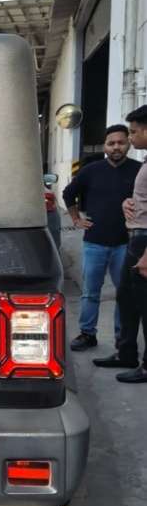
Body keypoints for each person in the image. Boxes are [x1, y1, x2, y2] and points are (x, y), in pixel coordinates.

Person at [63, 125, 140, 351]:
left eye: (121, 142)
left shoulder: (139, 171)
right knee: (90, 292)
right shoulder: (91, 170)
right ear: (105, 145)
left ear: (128, 143)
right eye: (111, 143)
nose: (116, 147)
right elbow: (68, 193)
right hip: (94, 242)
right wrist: (76, 219)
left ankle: (121, 338)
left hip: (126, 244)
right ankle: (87, 334)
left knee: (124, 294)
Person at [94, 106, 147, 381]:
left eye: (134, 132)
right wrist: (132, 204)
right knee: (126, 298)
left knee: (144, 304)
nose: (132, 138)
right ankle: (126, 352)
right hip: (136, 237)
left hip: (144, 241)